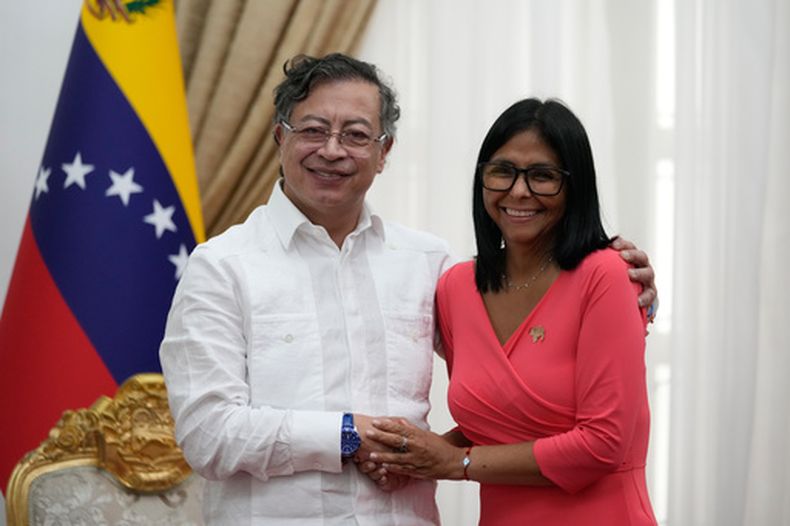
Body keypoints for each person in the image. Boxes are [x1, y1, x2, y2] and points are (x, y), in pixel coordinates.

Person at [159, 54, 657, 525]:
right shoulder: (221, 267)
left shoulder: (428, 264)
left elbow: (535, 367)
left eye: (356, 134)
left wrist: (633, 293)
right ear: (279, 137)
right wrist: (348, 435)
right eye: (313, 130)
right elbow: (208, 435)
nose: (332, 150)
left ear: (384, 153)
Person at [364, 98, 658, 525]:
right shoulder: (456, 286)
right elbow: (500, 420)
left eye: (543, 176)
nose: (519, 191)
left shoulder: (607, 274)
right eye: (502, 171)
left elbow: (601, 444)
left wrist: (452, 463)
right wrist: (415, 457)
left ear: (575, 186)